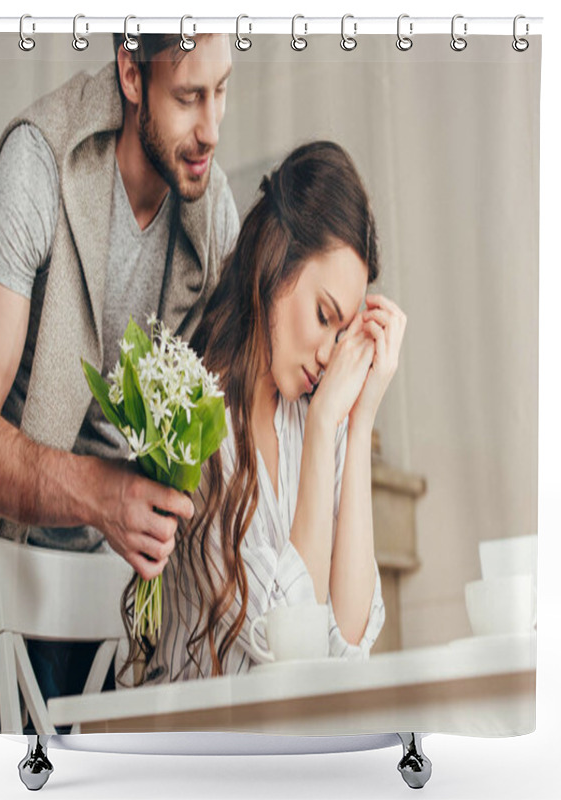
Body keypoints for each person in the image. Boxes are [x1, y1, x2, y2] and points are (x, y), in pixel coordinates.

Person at [0, 33, 238, 732]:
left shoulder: (211, 209)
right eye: (188, 96)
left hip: (128, 567)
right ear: (131, 74)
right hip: (13, 545)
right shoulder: (39, 162)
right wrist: (101, 494)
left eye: (222, 90)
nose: (211, 130)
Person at [120, 141, 407, 684]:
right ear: (277, 263)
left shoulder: (311, 416)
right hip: (191, 745)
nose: (329, 354)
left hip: (278, 740)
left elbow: (347, 647)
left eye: (343, 334)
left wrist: (359, 416)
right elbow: (290, 651)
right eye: (324, 316)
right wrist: (325, 430)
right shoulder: (195, 421)